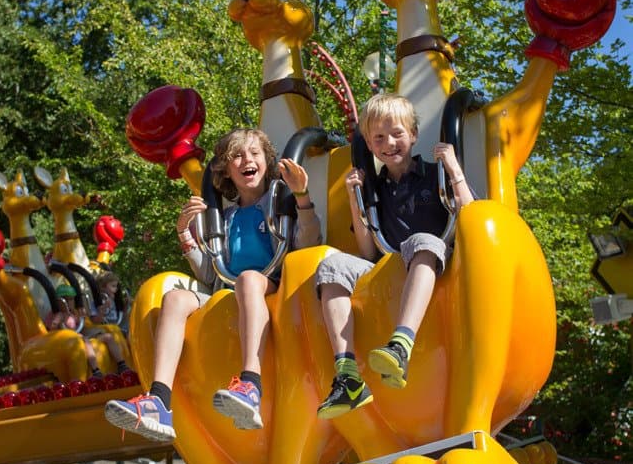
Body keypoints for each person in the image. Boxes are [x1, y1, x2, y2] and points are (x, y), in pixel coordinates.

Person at [104, 127, 321, 441]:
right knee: (176, 298)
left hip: (270, 287)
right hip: (232, 291)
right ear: (227, 171)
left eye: (254, 153)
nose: (247, 160)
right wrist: (185, 235)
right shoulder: (227, 218)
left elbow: (309, 242)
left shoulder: (278, 203)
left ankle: (251, 385)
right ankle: (159, 402)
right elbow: (211, 273)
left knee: (248, 280)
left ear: (267, 160)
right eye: (237, 156)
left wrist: (302, 198)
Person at [315, 93, 474, 419]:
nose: (390, 143)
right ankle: (347, 374)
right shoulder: (374, 188)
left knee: (422, 241)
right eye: (379, 138)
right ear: (371, 146)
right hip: (387, 263)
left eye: (397, 133)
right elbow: (367, 249)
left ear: (413, 134)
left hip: (431, 257)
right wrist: (354, 198)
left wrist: (454, 168)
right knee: (330, 267)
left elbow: (472, 215)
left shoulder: (435, 174)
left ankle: (400, 345)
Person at [48, 283, 129, 377]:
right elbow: (51, 331)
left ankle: (121, 364)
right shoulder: (57, 314)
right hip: (70, 341)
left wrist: (82, 317)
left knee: (109, 336)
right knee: (85, 340)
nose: (70, 302)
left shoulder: (74, 313)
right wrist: (56, 322)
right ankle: (96, 370)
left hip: (81, 335)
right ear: (60, 301)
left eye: (71, 299)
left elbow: (85, 324)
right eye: (66, 299)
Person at [83, 271, 131, 375]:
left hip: (117, 327)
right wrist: (104, 307)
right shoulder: (98, 302)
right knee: (112, 336)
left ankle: (133, 361)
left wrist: (126, 304)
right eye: (113, 286)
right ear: (103, 287)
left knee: (130, 335)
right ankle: (121, 364)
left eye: (116, 286)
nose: (116, 289)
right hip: (103, 329)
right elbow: (95, 320)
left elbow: (121, 317)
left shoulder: (115, 301)